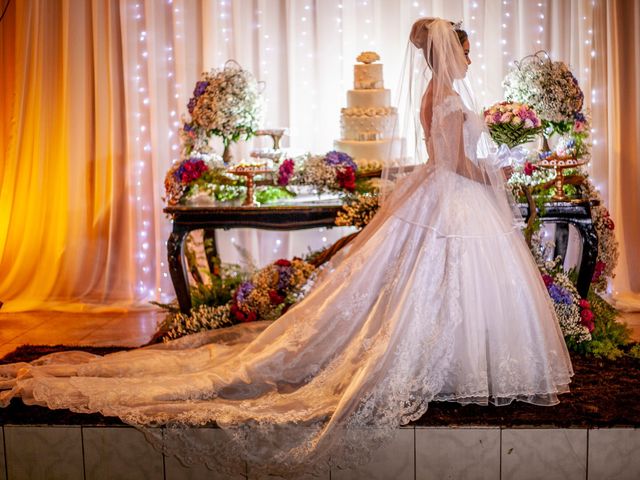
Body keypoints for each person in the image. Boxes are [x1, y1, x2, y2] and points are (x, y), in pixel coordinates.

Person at [0, 18, 573, 478]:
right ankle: (450, 366)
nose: (470, 61)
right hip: (451, 192)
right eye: (467, 52)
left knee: (432, 285)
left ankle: (452, 363)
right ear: (455, 54)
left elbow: (443, 157)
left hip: (438, 192)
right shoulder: (447, 98)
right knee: (442, 283)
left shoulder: (433, 93)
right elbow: (453, 161)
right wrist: (494, 181)